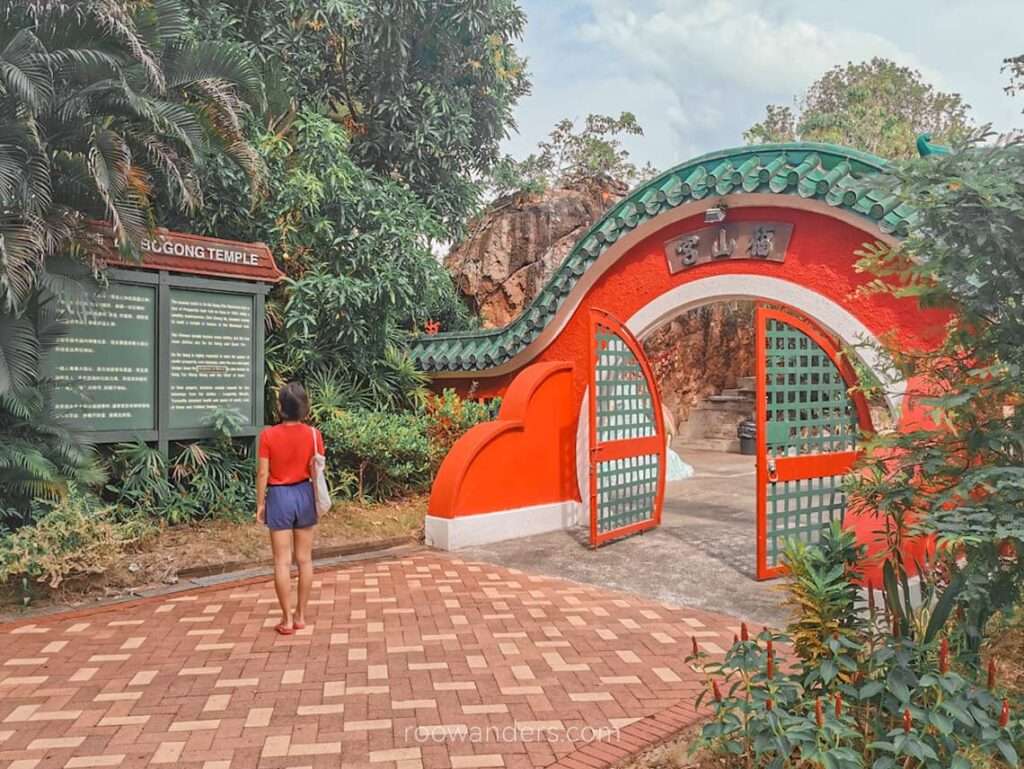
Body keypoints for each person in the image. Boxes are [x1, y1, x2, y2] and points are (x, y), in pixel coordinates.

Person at [256, 382, 325, 635]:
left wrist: (260, 504)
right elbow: (315, 470)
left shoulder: (268, 436)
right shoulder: (313, 435)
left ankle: (286, 619)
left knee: (282, 562)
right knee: (305, 560)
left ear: (280, 408)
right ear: (304, 408)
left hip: (279, 496)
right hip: (304, 493)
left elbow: (263, 472)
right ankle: (301, 616)